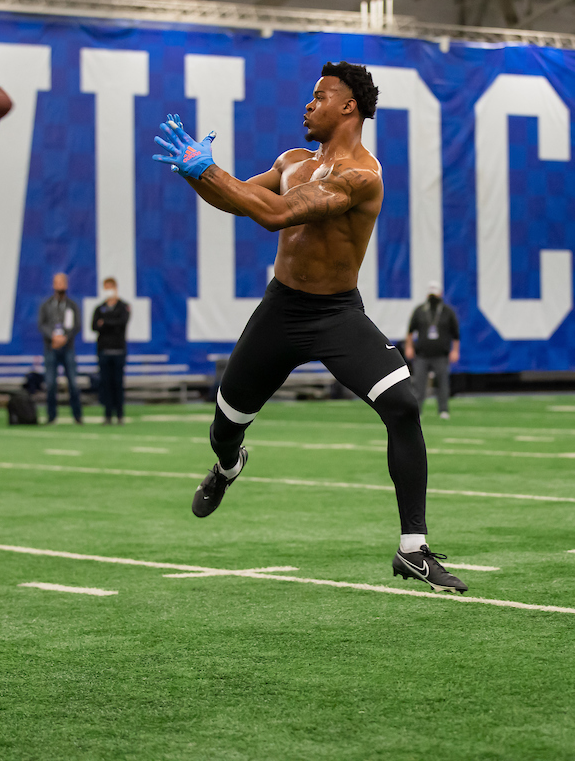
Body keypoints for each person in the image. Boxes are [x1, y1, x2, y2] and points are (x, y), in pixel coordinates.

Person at [152, 61, 466, 593]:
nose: (308, 104)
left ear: (349, 106)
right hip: (281, 310)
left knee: (403, 405)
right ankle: (228, 466)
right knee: (224, 428)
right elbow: (239, 200)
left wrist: (208, 170)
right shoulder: (293, 160)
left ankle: (413, 549)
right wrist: (196, 173)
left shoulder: (362, 176)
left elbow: (275, 214)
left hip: (335, 314)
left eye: (319, 96)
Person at [405, 281, 460, 420]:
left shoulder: (447, 312)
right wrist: (409, 347)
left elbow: (455, 334)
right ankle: (417, 411)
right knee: (419, 385)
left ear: (440, 293)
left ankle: (443, 410)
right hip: (422, 354)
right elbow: (410, 331)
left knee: (442, 384)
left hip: (441, 354)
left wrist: (455, 350)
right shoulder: (420, 311)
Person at [38, 272, 83, 425]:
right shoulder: (46, 305)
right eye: (57, 282)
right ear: (53, 285)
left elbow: (76, 325)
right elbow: (42, 324)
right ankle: (51, 416)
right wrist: (53, 337)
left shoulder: (72, 305)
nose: (60, 286)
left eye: (62, 282)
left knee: (73, 383)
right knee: (50, 383)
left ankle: (77, 415)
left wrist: (65, 338)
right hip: (51, 348)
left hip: (67, 347)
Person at [91, 277, 130, 425]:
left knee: (118, 383)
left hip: (118, 350)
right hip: (104, 350)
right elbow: (94, 326)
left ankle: (119, 414)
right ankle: (107, 415)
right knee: (105, 384)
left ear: (115, 288)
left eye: (110, 287)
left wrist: (105, 322)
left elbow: (122, 323)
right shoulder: (99, 308)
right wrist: (111, 323)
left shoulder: (123, 306)